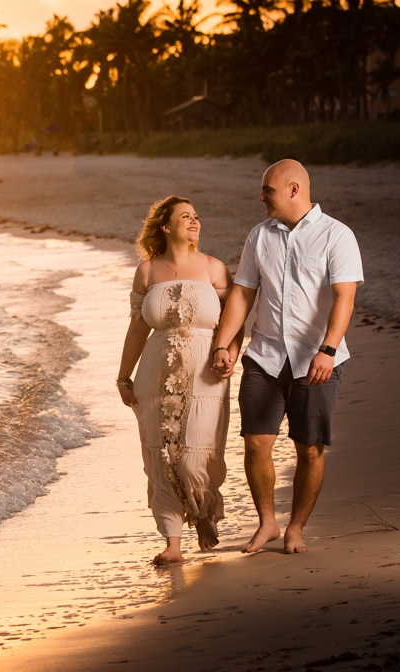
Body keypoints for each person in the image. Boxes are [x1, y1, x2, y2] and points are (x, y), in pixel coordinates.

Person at [211, 159, 363, 554]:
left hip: (316, 360)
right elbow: (243, 294)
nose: (261, 197)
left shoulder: (337, 236)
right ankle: (267, 524)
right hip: (264, 357)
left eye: (268, 191)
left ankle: (296, 527)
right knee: (255, 444)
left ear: (294, 189)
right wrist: (223, 345)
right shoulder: (259, 237)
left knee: (309, 448)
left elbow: (345, 298)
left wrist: (327, 350)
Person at [116, 196, 242, 565]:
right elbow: (138, 328)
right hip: (156, 374)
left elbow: (233, 320)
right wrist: (124, 376)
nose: (194, 221)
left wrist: (229, 353)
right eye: (184, 217)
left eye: (196, 216)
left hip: (206, 372)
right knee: (161, 455)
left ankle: (203, 513)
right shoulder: (147, 271)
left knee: (195, 455)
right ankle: (172, 541)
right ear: (166, 227)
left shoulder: (214, 269)